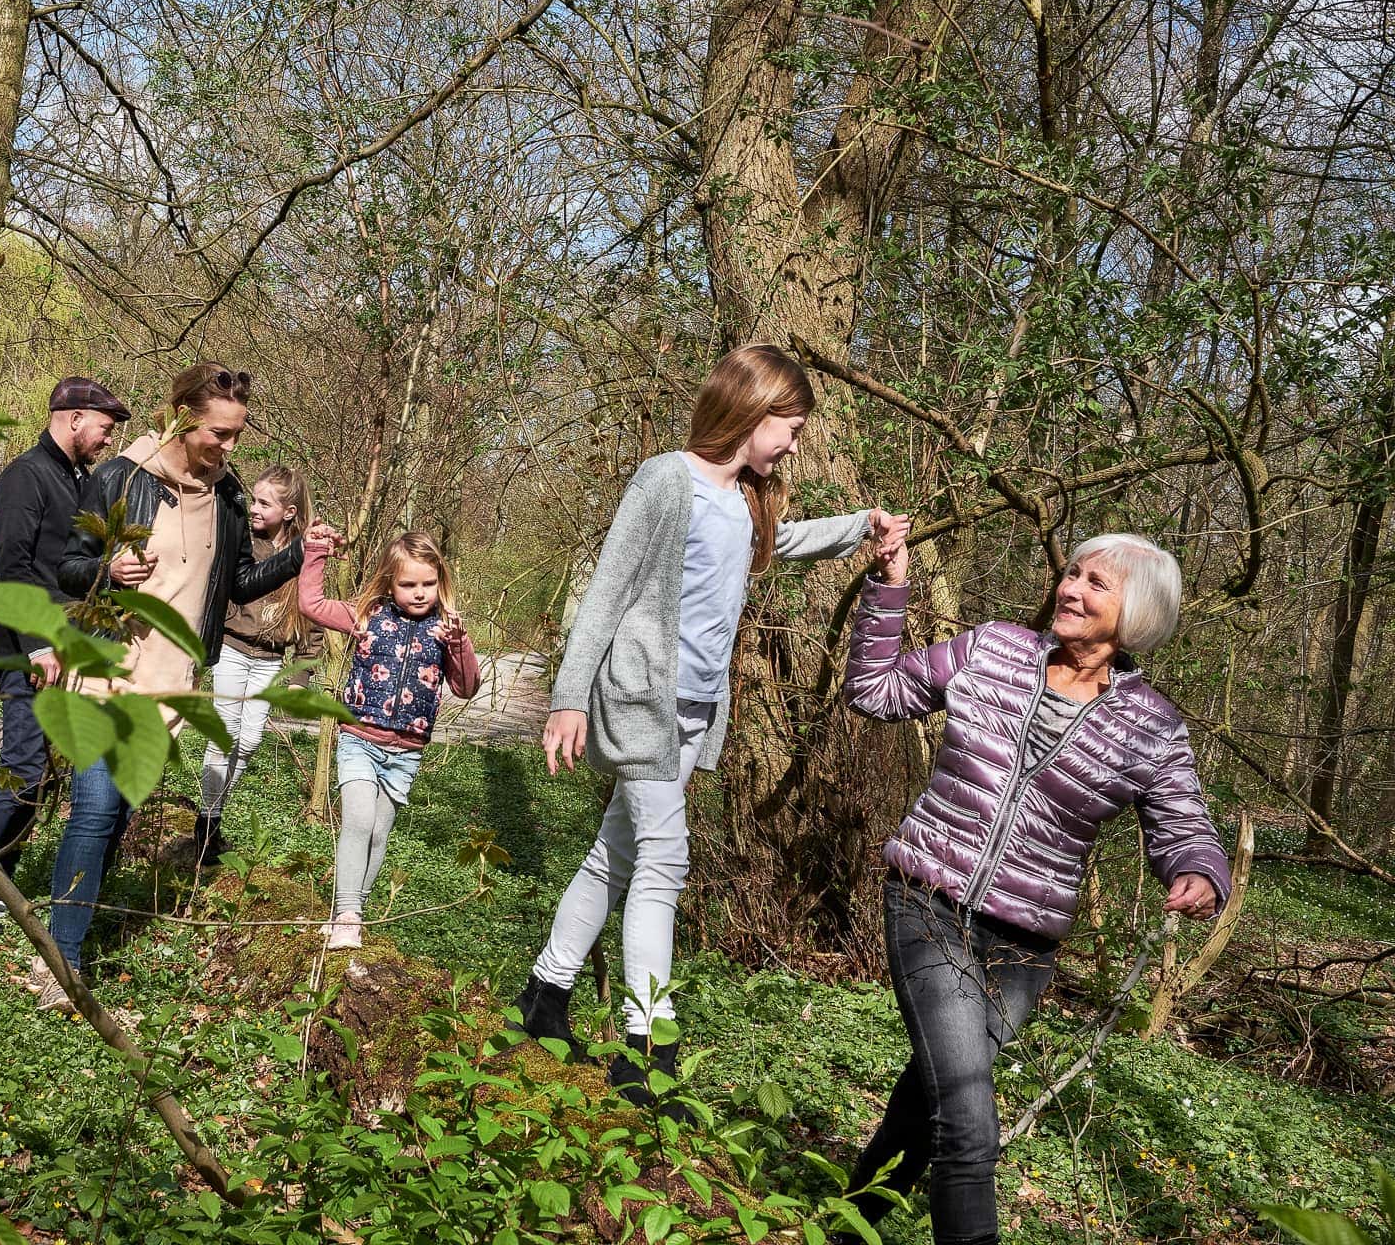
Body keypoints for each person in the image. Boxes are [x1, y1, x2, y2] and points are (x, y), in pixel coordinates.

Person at [514, 342, 909, 1116]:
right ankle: (647, 1047)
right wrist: (567, 697)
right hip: (637, 700)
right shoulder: (665, 480)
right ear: (751, 411)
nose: (794, 443)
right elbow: (606, 591)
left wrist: (859, 526)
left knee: (614, 857)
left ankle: (545, 992)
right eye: (789, 427)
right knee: (665, 863)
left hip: (694, 711)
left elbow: (776, 546)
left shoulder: (748, 500)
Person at [839, 531, 1230, 1245]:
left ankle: (843, 1228)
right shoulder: (992, 650)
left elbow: (1184, 824)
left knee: (931, 1100)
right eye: (1072, 573)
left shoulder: (1153, 727)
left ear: (1135, 613)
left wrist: (1199, 871)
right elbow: (874, 691)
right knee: (967, 1115)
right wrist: (889, 588)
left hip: (1024, 944)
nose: (1071, 589)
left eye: (1096, 584)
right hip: (930, 899)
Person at [32, 362, 307, 1010]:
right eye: (219, 433)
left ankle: (72, 925)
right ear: (182, 416)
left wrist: (303, 556)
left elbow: (237, 585)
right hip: (107, 670)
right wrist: (109, 568)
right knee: (97, 810)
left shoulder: (231, 497)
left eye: (238, 434)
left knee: (119, 814)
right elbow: (67, 567)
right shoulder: (122, 477)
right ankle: (59, 963)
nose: (229, 447)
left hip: (172, 686)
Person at [0, 376, 127, 936]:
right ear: (73, 419)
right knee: (22, 768)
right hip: (28, 651)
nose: (107, 440)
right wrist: (39, 644)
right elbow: (12, 568)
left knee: (40, 777)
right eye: (103, 428)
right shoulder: (25, 476)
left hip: (70, 653)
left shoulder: (79, 480)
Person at [299, 527, 482, 950]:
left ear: (441, 581)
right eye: (408, 584)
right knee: (359, 821)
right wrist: (316, 552)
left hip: (406, 752)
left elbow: (467, 687)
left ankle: (350, 911)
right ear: (389, 582)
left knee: (379, 834)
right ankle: (347, 912)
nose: (419, 593)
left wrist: (460, 644)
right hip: (359, 738)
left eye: (428, 583)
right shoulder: (369, 615)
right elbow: (311, 604)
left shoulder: (445, 629)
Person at [195, 465, 322, 863]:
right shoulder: (243, 541)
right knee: (224, 736)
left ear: (288, 511)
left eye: (264, 502)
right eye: (253, 498)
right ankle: (207, 826)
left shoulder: (303, 554)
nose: (253, 507)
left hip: (270, 659)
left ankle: (215, 813)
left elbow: (313, 617)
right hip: (233, 648)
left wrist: (301, 673)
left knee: (248, 743)